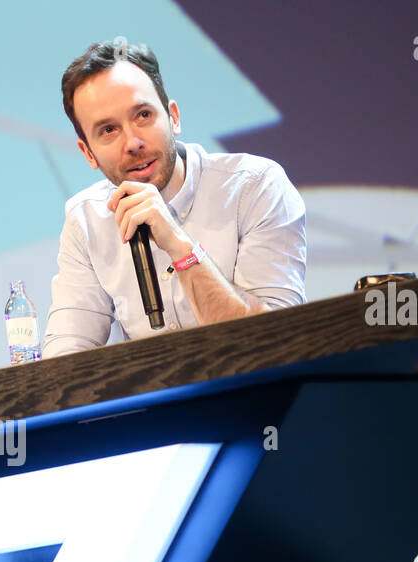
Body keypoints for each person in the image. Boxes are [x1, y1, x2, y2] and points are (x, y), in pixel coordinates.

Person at [43, 41, 306, 357]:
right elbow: (63, 363)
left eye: (143, 115)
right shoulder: (86, 219)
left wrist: (180, 245)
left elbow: (277, 343)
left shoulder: (255, 187)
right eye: (108, 130)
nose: (133, 142)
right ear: (88, 153)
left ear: (173, 118)